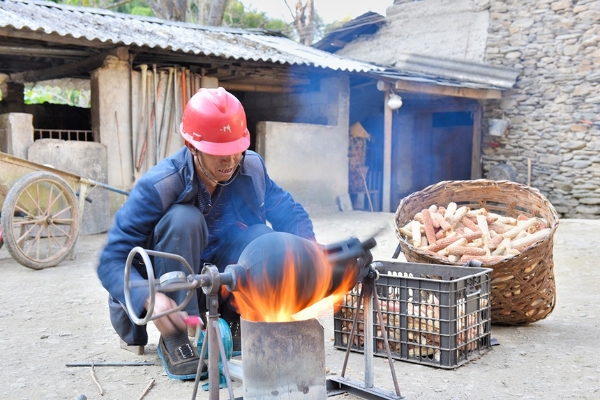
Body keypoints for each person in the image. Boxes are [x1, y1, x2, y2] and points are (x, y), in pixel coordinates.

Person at [97, 87, 315, 380]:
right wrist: (149, 298)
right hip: (171, 286)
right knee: (184, 219)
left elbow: (290, 214)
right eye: (217, 153)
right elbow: (110, 259)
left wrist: (315, 256)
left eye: (235, 150)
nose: (229, 162)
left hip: (219, 282)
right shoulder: (159, 185)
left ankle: (235, 317)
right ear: (192, 146)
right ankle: (174, 339)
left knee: (261, 236)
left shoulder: (251, 169)